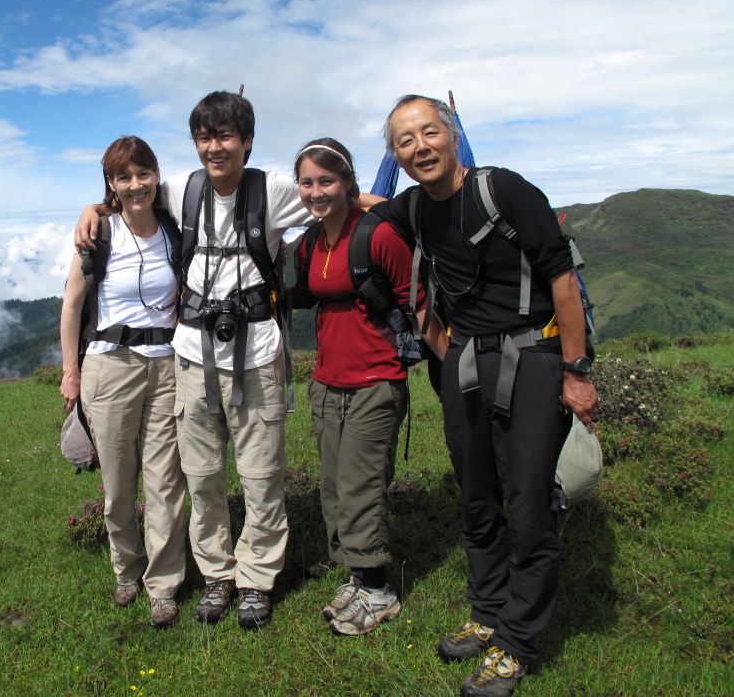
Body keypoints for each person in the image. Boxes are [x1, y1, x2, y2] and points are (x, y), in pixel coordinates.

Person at [76, 91, 382, 629]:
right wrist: (93, 208)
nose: (214, 148)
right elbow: (130, 196)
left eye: (224, 137)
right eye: (204, 137)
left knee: (262, 475)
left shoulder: (275, 191)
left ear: (246, 141)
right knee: (202, 474)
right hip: (192, 356)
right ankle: (217, 574)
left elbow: (344, 196)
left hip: (259, 354)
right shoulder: (182, 190)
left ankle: (256, 579)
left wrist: (405, 200)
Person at [372, 96, 599, 697]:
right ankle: (489, 608)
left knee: (527, 503)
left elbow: (561, 278)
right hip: (466, 364)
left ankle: (518, 642)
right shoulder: (413, 208)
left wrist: (576, 371)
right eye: (403, 141)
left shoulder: (506, 191)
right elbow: (359, 206)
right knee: (476, 495)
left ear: (450, 134)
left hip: (535, 358)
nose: (419, 148)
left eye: (428, 133)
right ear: (394, 153)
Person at [291, 138, 448, 636]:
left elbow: (417, 303)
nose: (317, 192)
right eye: (308, 182)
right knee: (336, 487)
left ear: (348, 183)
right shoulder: (310, 243)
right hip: (326, 380)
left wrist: (455, 366)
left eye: (327, 181)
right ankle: (358, 576)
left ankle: (378, 589)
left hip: (376, 378)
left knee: (362, 485)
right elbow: (294, 294)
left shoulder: (376, 235)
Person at [59, 136, 187, 628]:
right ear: (110, 184)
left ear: (156, 175)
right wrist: (71, 372)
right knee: (117, 483)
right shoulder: (99, 234)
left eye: (143, 174)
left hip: (167, 365)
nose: (135, 185)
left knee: (166, 482)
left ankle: (163, 584)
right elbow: (72, 306)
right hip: (109, 365)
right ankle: (126, 570)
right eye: (123, 177)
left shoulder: (174, 227)